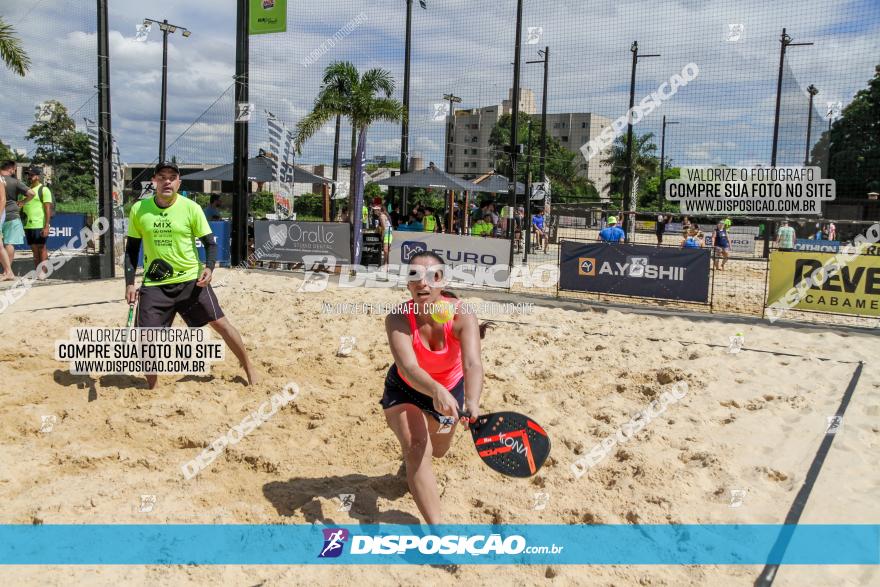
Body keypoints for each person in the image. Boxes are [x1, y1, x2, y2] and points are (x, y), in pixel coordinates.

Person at [125, 162, 257, 389]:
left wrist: (210, 267)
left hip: (191, 282)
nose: (167, 181)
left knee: (222, 325)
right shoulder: (139, 209)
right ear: (154, 181)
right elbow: (131, 250)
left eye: (172, 177)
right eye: (162, 177)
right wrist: (129, 283)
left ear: (178, 182)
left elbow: (210, 243)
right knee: (145, 339)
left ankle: (248, 367)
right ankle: (152, 388)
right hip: (155, 285)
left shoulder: (191, 208)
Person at [382, 250, 487, 523]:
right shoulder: (398, 317)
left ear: (442, 280)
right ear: (407, 283)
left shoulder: (462, 314)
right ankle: (438, 533)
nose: (423, 282)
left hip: (451, 390)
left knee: (438, 450)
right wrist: (435, 390)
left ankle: (415, 467)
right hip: (406, 389)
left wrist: (472, 402)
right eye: (414, 275)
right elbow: (409, 368)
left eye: (432, 276)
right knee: (418, 447)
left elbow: (473, 364)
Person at [0, 161, 36, 278]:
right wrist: (22, 202)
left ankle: (7, 272)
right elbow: (31, 193)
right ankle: (7, 271)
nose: (14, 172)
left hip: (2, 214)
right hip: (12, 215)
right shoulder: (14, 182)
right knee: (9, 243)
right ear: (11, 169)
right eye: (15, 170)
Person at [22, 167, 53, 279]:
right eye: (28, 175)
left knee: (42, 248)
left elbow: (48, 209)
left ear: (38, 176)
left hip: (39, 224)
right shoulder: (26, 190)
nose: (30, 177)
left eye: (32, 175)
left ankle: (43, 273)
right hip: (28, 225)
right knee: (34, 250)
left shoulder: (43, 190)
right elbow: (22, 206)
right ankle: (37, 272)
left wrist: (46, 226)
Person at [374, 204, 393, 269]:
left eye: (375, 210)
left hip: (387, 233)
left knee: (385, 250)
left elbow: (384, 228)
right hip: (388, 233)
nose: (374, 211)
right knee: (386, 250)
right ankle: (386, 264)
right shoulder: (382, 215)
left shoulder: (382, 216)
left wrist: (382, 236)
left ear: (379, 210)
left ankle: (385, 264)